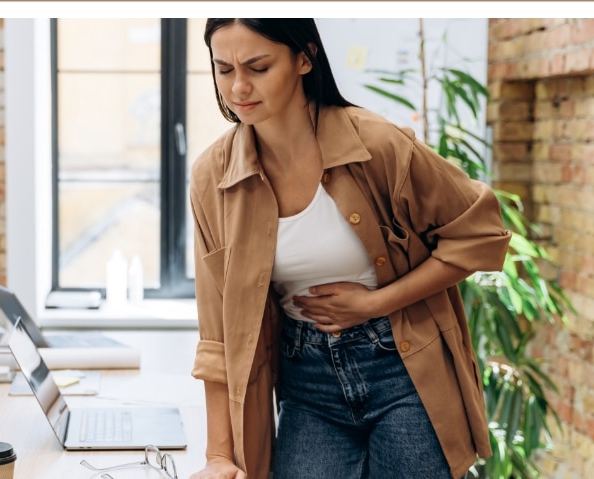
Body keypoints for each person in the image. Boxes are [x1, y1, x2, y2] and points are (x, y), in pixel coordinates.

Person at [188, 19, 511, 479]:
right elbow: (218, 333)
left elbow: (481, 233)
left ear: (304, 58)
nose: (238, 87)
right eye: (223, 69)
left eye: (258, 67)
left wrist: (376, 303)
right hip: (307, 382)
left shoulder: (377, 145)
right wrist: (217, 456)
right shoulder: (213, 178)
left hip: (404, 371)